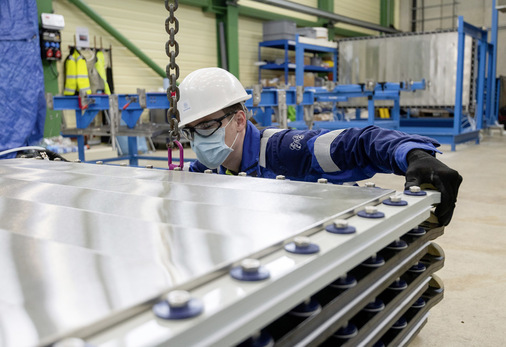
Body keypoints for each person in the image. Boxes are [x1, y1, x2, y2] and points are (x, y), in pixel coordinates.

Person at [178, 67, 462, 226]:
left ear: (239, 120)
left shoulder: (285, 151)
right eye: (191, 131)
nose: (200, 140)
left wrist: (415, 154)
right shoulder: (209, 167)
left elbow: (358, 143)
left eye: (206, 127)